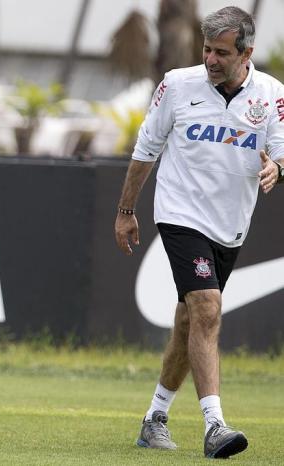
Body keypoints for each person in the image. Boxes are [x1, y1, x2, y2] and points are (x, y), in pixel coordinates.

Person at [114, 6, 284, 459]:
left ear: (246, 53)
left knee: (191, 322)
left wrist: (277, 169)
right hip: (179, 213)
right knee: (208, 308)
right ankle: (215, 426)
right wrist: (126, 210)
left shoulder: (271, 95)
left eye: (221, 52)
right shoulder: (176, 83)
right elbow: (146, 148)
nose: (210, 59)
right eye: (207, 49)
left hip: (229, 226)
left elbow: (282, 153)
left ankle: (155, 418)